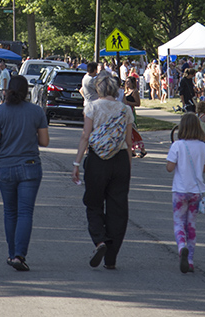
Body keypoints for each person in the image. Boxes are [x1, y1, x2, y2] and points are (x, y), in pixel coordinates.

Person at [72, 71, 135, 270]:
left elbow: (85, 136)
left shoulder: (91, 107)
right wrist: (128, 165)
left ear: (98, 89)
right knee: (118, 209)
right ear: (116, 90)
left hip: (97, 160)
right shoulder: (126, 110)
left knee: (93, 203)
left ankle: (100, 241)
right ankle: (111, 257)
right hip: (120, 160)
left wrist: (76, 163)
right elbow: (129, 141)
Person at [0, 75, 49, 271]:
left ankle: (12, 253)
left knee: (10, 212)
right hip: (30, 166)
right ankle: (19, 255)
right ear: (27, 91)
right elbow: (44, 142)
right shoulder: (36, 111)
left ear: (8, 89)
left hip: (6, 166)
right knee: (25, 212)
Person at [166, 112, 205, 274]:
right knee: (191, 225)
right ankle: (190, 259)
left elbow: (170, 168)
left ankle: (181, 246)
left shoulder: (177, 145)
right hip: (196, 192)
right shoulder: (202, 146)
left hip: (180, 190)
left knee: (178, 222)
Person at [123, 76, 145, 158]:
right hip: (125, 112)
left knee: (134, 130)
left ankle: (142, 149)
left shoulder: (134, 92)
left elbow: (138, 103)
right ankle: (132, 150)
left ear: (132, 83)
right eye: (126, 82)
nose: (127, 83)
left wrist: (127, 102)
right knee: (129, 132)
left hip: (131, 111)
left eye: (128, 82)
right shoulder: (126, 91)